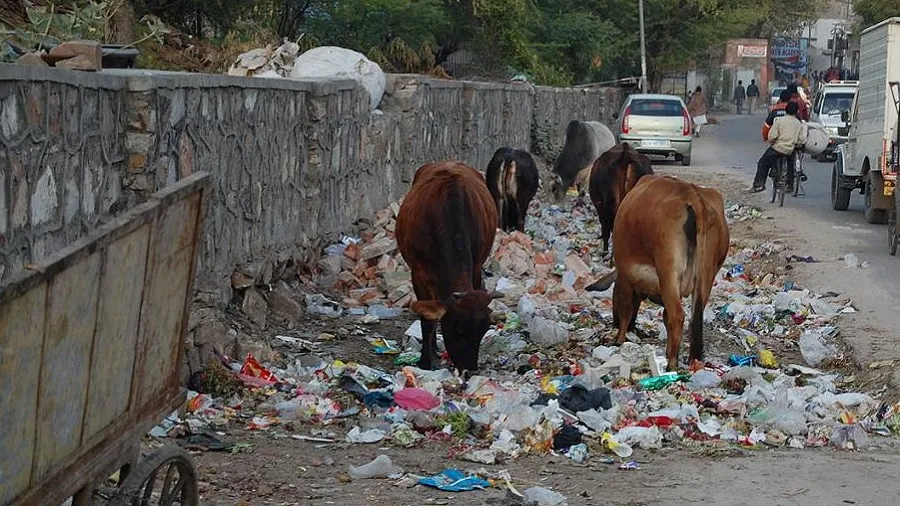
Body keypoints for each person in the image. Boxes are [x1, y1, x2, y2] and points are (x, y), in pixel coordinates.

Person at [750, 101, 803, 193]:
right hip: (790, 149)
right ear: (796, 112)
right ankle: (790, 186)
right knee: (791, 165)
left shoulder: (780, 121)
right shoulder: (798, 124)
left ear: (786, 110)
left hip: (778, 148)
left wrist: (772, 141)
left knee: (763, 162)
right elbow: (801, 140)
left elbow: (771, 136)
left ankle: (759, 184)